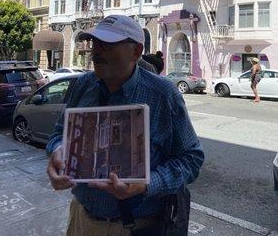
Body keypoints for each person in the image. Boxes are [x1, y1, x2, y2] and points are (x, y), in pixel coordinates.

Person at [46, 15, 204, 236]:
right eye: (95, 43)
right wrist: (57, 151)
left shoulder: (163, 94)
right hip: (82, 219)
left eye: (108, 44)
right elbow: (58, 134)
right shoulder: (83, 85)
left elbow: (191, 159)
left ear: (136, 51)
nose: (96, 50)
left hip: (138, 228)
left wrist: (146, 184)